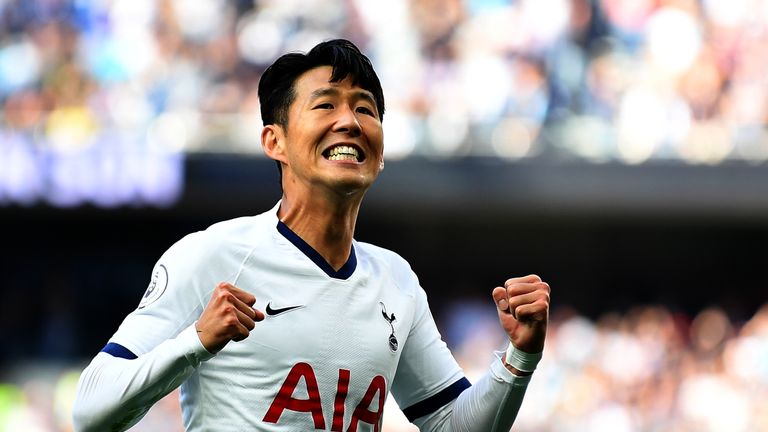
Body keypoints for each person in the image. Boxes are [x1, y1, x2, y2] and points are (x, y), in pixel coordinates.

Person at [72, 39, 551, 432]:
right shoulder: (212, 255)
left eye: (365, 109)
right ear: (273, 141)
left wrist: (520, 356)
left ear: (380, 151)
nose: (349, 121)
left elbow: (450, 424)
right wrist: (197, 341)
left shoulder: (397, 280)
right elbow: (92, 411)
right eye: (325, 105)